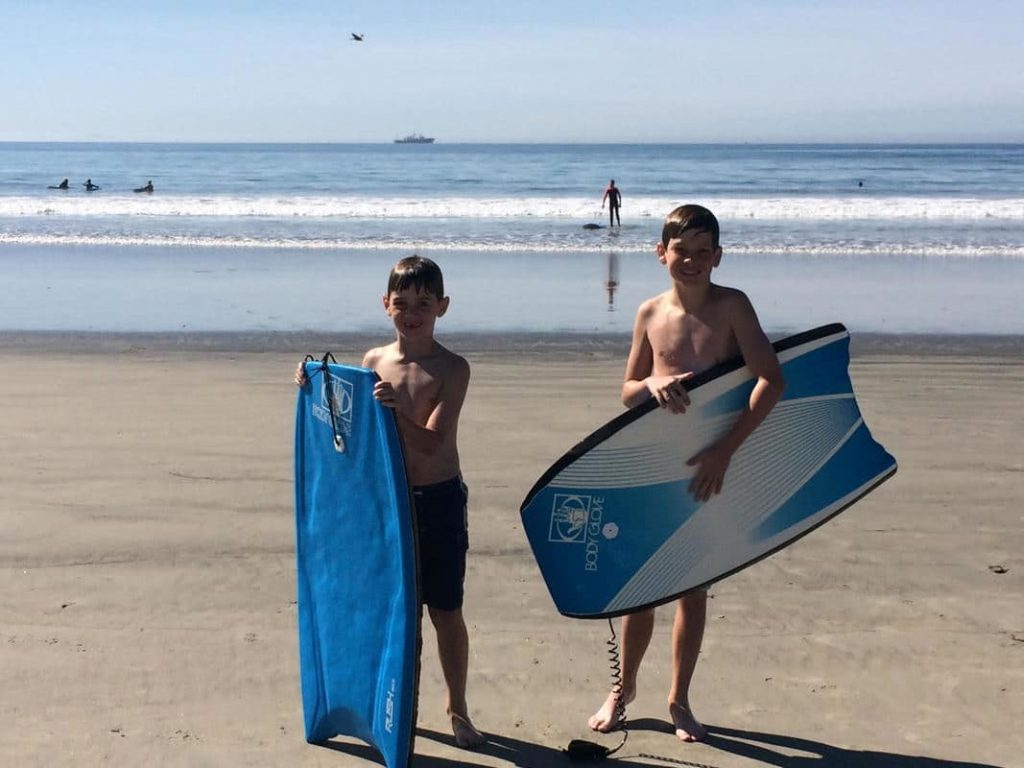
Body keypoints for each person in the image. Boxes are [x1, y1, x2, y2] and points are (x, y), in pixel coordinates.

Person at [588, 204, 785, 743]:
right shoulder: (649, 313)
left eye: (704, 252)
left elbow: (771, 379)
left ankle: (678, 699)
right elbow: (626, 392)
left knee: (691, 587)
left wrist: (726, 450)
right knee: (642, 587)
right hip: (654, 464)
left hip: (712, 462)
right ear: (661, 253)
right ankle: (622, 690)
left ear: (718, 256)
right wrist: (651, 385)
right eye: (682, 250)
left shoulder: (733, 307)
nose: (692, 260)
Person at [294, 255, 486, 749]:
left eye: (424, 303)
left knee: (444, 610)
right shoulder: (373, 361)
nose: (412, 312)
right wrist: (313, 384)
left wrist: (401, 413)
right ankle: (393, 704)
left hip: (438, 501)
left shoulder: (452, 369)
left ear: (443, 306)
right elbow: (349, 430)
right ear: (385, 305)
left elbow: (431, 445)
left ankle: (458, 708)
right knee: (391, 610)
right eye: (402, 303)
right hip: (386, 502)